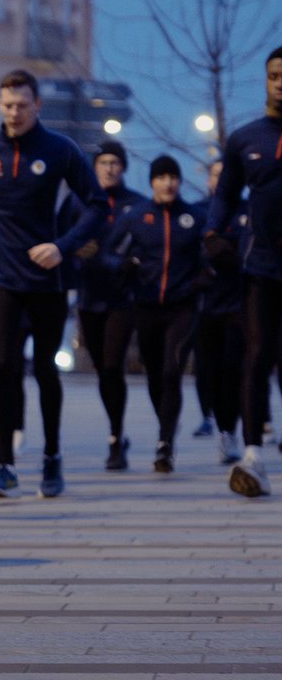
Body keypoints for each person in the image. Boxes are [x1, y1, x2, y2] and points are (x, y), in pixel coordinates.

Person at [0, 70, 108, 498]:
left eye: (22, 105)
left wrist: (64, 245)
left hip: (48, 277)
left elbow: (98, 205)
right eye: (7, 105)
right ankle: (4, 464)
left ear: (37, 105)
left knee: (44, 369)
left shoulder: (60, 150)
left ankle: (52, 456)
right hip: (2, 274)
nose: (15, 112)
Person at [206, 45, 282, 498]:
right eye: (275, 74)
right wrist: (213, 232)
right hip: (261, 266)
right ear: (266, 80)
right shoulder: (245, 138)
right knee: (257, 357)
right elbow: (225, 194)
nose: (281, 81)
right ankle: (253, 457)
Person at [107, 155, 203, 473]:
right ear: (151, 182)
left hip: (182, 306)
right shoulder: (136, 217)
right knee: (155, 374)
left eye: (173, 176)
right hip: (145, 306)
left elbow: (210, 258)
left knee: (172, 369)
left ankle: (165, 444)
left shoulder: (193, 217)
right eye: (161, 176)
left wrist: (201, 280)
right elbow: (110, 253)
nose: (169, 182)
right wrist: (124, 267)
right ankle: (165, 427)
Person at [59, 140, 143, 471]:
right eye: (103, 163)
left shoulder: (136, 205)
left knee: (113, 366)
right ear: (94, 168)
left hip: (123, 298)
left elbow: (147, 246)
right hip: (89, 297)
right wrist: (73, 252)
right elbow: (60, 240)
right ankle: (116, 433)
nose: (109, 168)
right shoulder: (79, 203)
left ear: (123, 167)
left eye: (115, 163)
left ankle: (115, 436)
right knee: (102, 371)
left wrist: (131, 264)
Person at [192, 158, 245, 466]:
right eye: (215, 174)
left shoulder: (249, 211)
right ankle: (210, 417)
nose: (221, 179)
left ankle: (230, 431)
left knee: (233, 370)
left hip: (240, 302)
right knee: (208, 370)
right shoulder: (197, 212)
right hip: (204, 303)